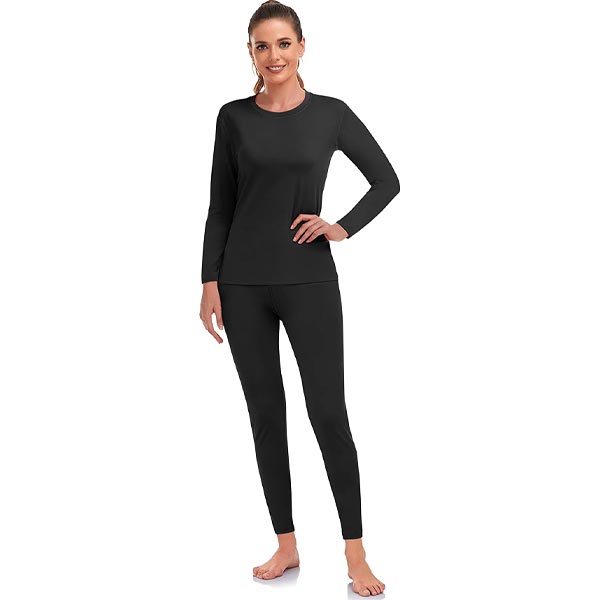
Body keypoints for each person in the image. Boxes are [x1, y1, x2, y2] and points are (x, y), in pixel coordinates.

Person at [199, 1, 399, 596]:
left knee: (328, 414)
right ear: (250, 53)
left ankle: (355, 552)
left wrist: (340, 227)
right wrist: (209, 281)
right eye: (262, 46)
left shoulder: (331, 114)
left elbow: (387, 181)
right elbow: (220, 206)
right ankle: (286, 543)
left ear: (302, 46)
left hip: (308, 280)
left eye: (283, 43)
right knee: (265, 414)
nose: (274, 55)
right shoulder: (233, 117)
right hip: (241, 285)